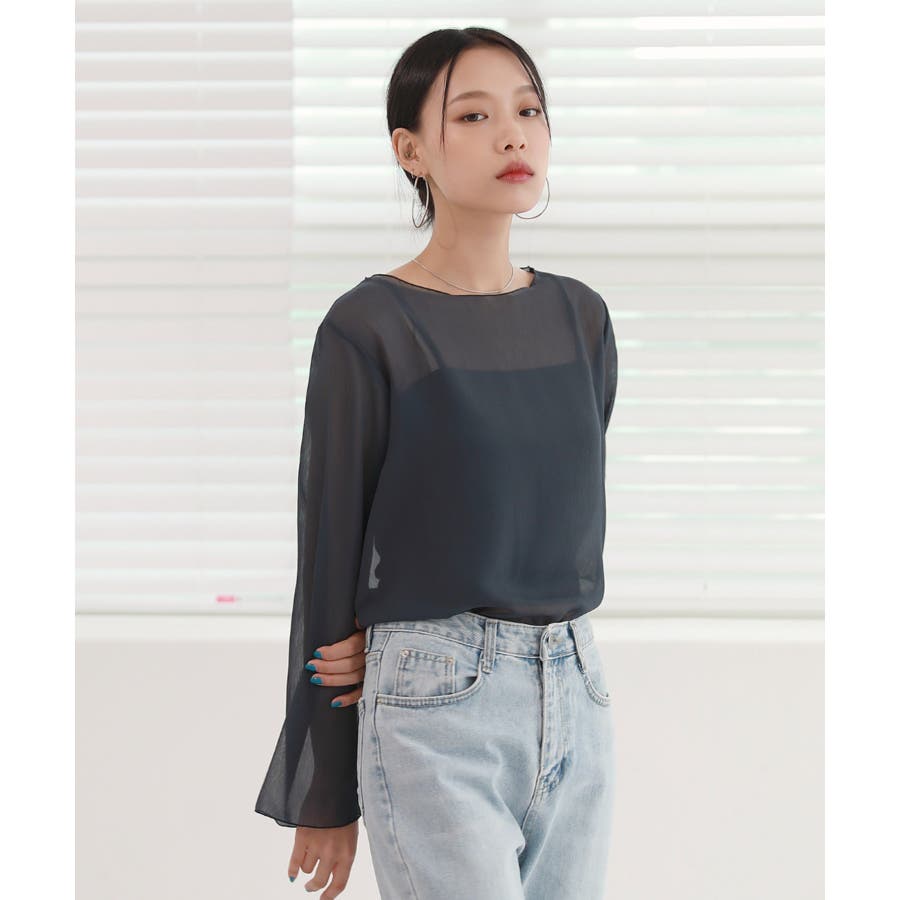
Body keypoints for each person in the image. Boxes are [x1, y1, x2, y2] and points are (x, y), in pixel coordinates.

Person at [255, 27, 618, 900]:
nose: (513, 135)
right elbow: (331, 550)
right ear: (410, 150)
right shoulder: (371, 327)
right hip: (434, 699)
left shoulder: (582, 319)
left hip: (577, 689)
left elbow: (546, 508)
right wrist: (325, 785)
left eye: (529, 111)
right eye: (474, 115)